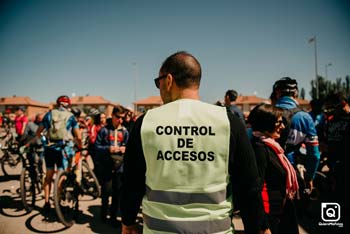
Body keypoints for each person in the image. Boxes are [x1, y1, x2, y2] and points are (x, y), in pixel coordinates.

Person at [121, 51, 268, 234]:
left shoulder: (146, 123)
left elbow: (131, 183)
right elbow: (249, 187)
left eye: (158, 83)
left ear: (168, 80)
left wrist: (128, 221)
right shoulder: (228, 122)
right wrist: (259, 228)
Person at [248, 103, 299, 234]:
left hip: (279, 214)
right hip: (269, 219)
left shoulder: (272, 146)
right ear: (266, 123)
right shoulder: (260, 148)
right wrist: (264, 226)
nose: (283, 127)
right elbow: (255, 190)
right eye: (279, 123)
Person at [272, 77, 320, 197]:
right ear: (296, 93)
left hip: (267, 171)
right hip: (293, 171)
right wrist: (309, 178)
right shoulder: (305, 117)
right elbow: (314, 155)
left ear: (277, 93)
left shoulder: (264, 113)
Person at [36, 95, 82, 213]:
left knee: (49, 175)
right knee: (62, 174)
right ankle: (58, 199)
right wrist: (79, 144)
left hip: (50, 149)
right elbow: (78, 135)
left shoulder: (49, 114)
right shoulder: (71, 117)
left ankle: (46, 202)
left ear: (57, 104)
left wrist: (44, 140)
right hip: (63, 149)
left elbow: (39, 132)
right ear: (68, 105)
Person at [94, 105, 129, 226]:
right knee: (105, 193)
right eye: (118, 117)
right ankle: (103, 215)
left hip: (120, 167)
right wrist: (108, 149)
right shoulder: (104, 130)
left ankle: (113, 217)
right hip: (107, 167)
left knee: (117, 194)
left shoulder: (125, 132)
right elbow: (96, 147)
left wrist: (125, 148)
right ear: (112, 116)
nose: (120, 120)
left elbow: (130, 148)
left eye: (122, 118)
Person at [323, 92, 349, 219]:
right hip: (334, 164)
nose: (330, 111)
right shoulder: (331, 121)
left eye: (332, 108)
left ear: (343, 104)